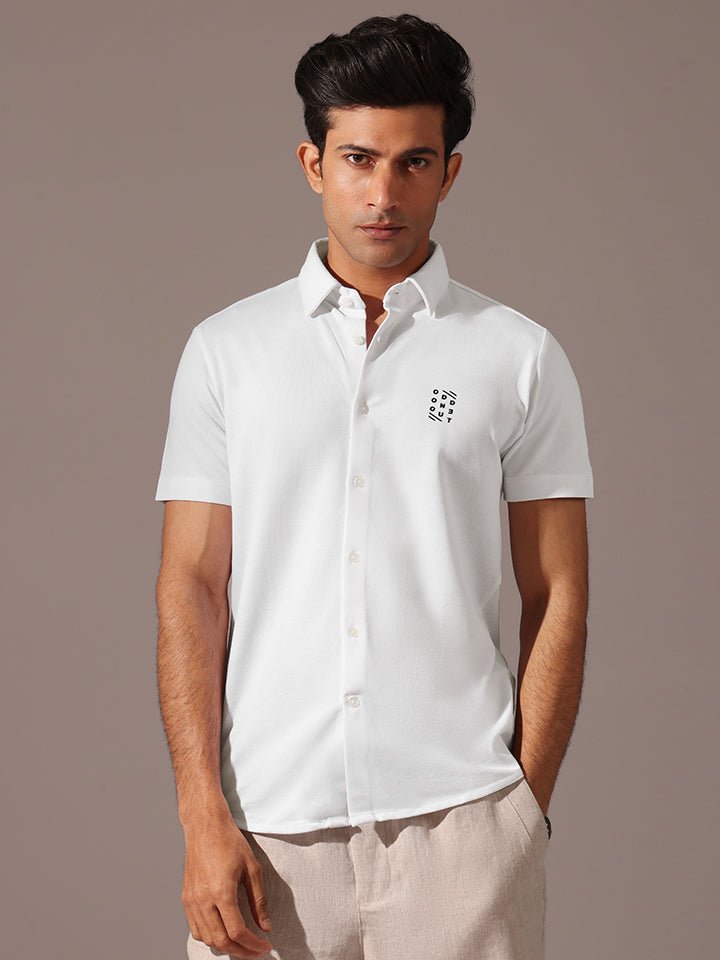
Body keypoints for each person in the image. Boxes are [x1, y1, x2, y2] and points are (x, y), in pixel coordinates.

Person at [153, 13, 594, 960]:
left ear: (450, 172)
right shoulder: (227, 353)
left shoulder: (519, 358)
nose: (383, 193)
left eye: (413, 163)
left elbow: (558, 590)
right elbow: (192, 584)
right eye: (358, 159)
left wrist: (522, 813)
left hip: (464, 828)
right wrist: (200, 812)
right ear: (313, 164)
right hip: (265, 830)